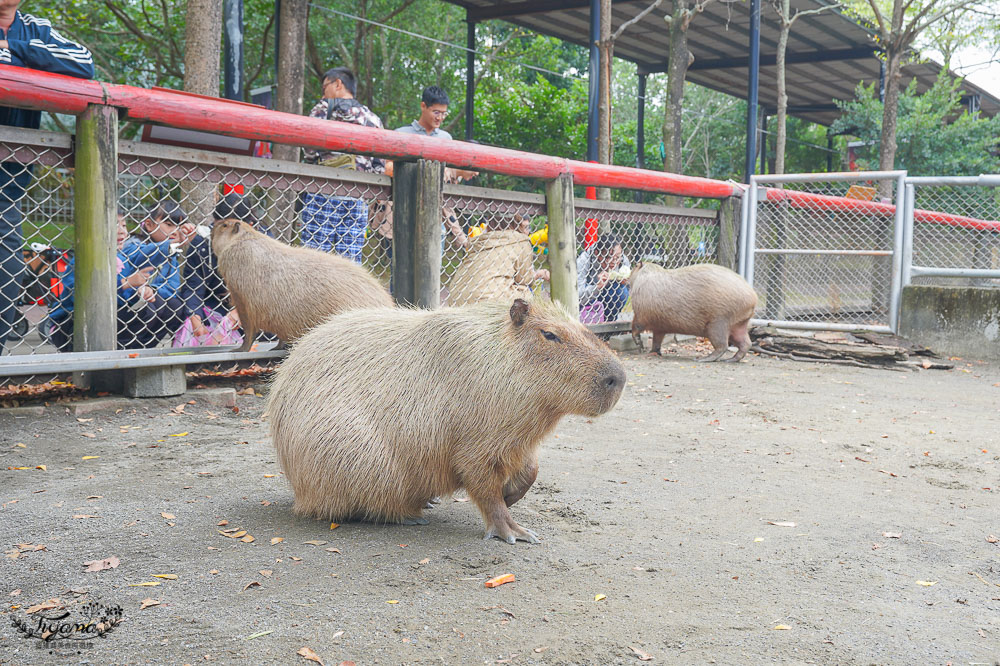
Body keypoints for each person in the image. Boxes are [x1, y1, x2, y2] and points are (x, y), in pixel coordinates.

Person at [0, 2, 94, 353]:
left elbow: (83, 63)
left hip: (9, 179)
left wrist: (17, 50)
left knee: (8, 267)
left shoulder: (35, 30)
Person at [301, 66, 386, 263]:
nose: (324, 93)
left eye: (325, 88)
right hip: (357, 194)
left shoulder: (323, 109)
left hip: (322, 189)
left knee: (314, 258)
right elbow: (379, 165)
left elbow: (309, 150)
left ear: (338, 84)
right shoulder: (372, 118)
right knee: (349, 260)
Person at [46, 212, 165, 352]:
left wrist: (140, 292)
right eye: (115, 226)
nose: (122, 231)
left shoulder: (123, 258)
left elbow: (124, 298)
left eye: (124, 225)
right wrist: (124, 283)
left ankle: (125, 353)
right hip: (72, 324)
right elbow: (81, 296)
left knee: (152, 306)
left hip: (110, 317)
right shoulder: (84, 259)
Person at [390, 86, 479, 251]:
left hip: (435, 215)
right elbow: (388, 167)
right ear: (423, 106)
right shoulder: (402, 134)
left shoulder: (446, 139)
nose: (440, 118)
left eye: (444, 114)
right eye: (436, 112)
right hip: (404, 210)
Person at [176, 193, 257, 347]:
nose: (223, 236)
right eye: (220, 227)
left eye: (231, 229)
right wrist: (196, 319)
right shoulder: (202, 244)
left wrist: (240, 311)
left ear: (249, 226)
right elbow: (193, 287)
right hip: (214, 305)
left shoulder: (262, 243)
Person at [118, 200, 196, 346]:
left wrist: (154, 290)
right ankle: (125, 347)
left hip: (152, 300)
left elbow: (172, 286)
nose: (175, 231)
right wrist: (169, 246)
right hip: (129, 303)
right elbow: (142, 254)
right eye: (169, 225)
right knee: (154, 306)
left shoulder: (171, 254)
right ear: (149, 224)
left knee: (175, 306)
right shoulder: (133, 244)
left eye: (178, 226)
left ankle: (145, 348)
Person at [447, 215, 549, 306]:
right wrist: (539, 274)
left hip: (457, 296)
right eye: (526, 227)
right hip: (488, 299)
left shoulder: (480, 239)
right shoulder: (521, 241)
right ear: (517, 224)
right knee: (530, 291)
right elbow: (524, 280)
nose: (528, 231)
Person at [577, 233, 631, 323]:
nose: (614, 261)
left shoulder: (623, 260)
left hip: (609, 297)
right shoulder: (584, 260)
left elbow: (629, 288)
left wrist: (627, 282)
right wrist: (596, 287)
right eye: (609, 257)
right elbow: (577, 295)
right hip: (588, 300)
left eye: (617, 257)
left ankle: (610, 322)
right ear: (597, 253)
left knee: (622, 292)